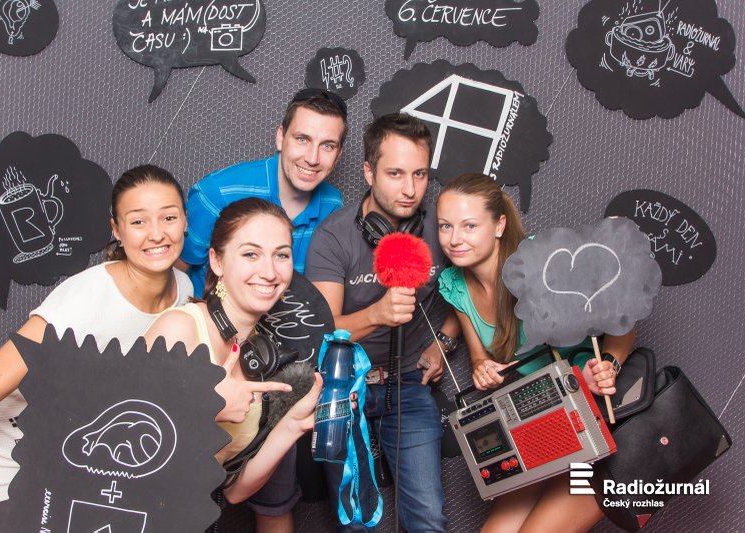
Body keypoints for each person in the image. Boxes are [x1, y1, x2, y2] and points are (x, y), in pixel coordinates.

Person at [0, 165, 197, 532]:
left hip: (73, 449)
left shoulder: (184, 290)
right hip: (10, 450)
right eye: (138, 221)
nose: (156, 233)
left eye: (169, 217)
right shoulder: (84, 303)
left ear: (185, 221)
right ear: (117, 230)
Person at [436, 173, 635, 532]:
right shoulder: (456, 285)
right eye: (445, 226)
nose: (454, 239)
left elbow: (623, 317)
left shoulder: (542, 262)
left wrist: (608, 365)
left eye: (469, 226)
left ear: (499, 225)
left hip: (598, 418)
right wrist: (482, 369)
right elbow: (480, 356)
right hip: (543, 419)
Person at [305, 113, 460, 532]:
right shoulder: (334, 237)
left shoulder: (440, 229)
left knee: (428, 517)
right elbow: (323, 333)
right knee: (355, 520)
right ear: (369, 172)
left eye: (420, 174)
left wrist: (443, 342)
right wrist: (377, 315)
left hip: (407, 383)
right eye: (395, 174)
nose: (410, 190)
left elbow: (475, 286)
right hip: (343, 385)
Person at [144, 197, 322, 531]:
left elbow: (235, 491)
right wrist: (205, 406)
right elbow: (123, 432)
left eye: (281, 255)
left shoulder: (262, 358)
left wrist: (293, 425)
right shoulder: (180, 328)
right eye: (251, 254)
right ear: (216, 261)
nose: (269, 272)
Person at [178, 88, 348, 297]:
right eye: (302, 139)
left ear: (338, 155)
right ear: (280, 137)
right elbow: (174, 275)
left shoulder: (333, 205)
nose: (312, 158)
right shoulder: (217, 193)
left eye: (328, 146)